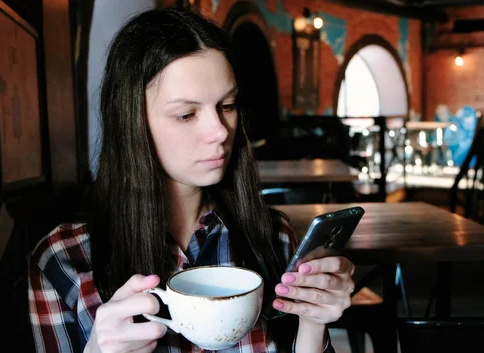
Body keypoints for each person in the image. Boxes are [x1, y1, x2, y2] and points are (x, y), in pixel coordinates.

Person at [28, 6, 355, 353]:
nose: (219, 131)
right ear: (131, 122)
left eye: (227, 105)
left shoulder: (272, 238)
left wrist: (314, 322)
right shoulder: (64, 259)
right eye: (186, 114)